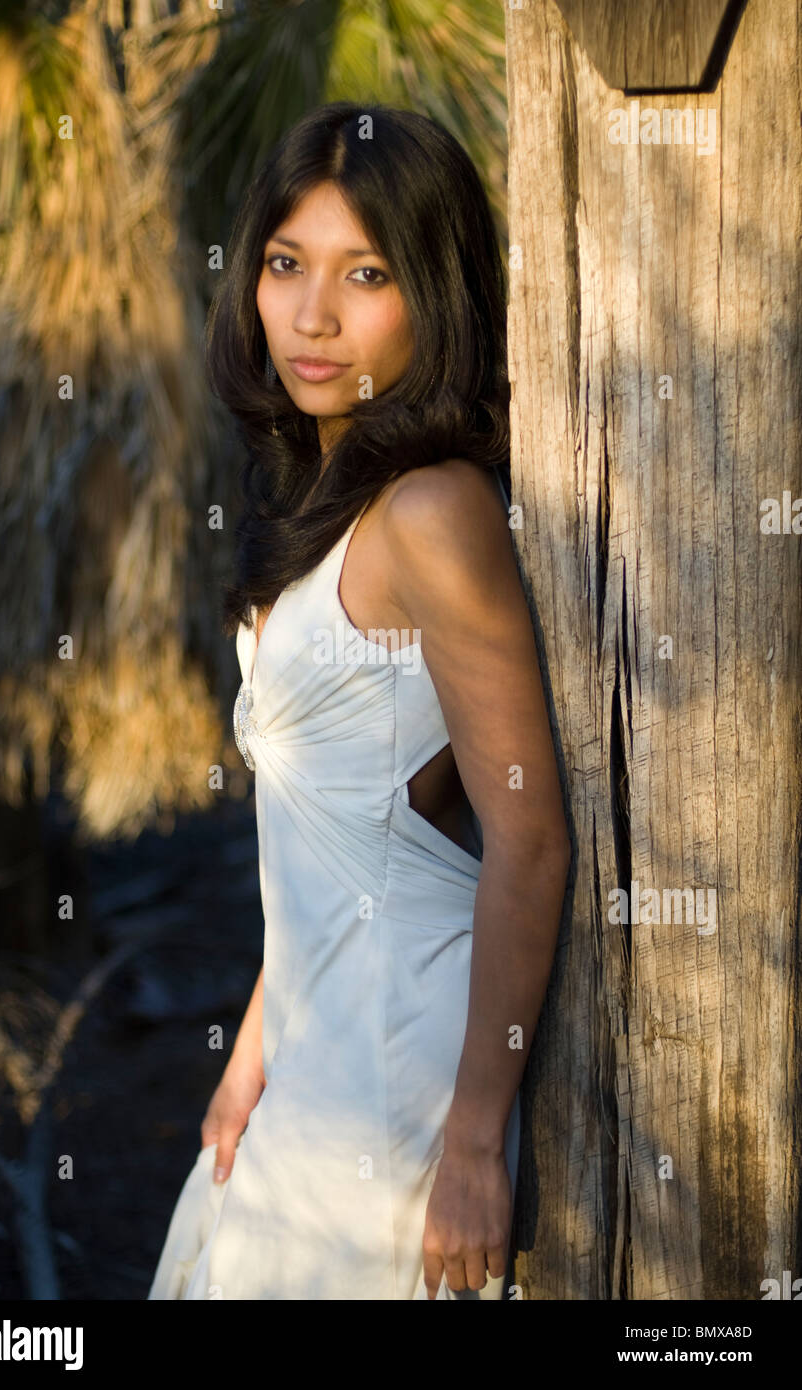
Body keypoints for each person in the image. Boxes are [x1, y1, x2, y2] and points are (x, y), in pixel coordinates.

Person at [148, 101, 570, 1301]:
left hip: (399, 1061)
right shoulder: (320, 490)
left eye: (365, 273)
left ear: (434, 292)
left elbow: (529, 839)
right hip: (312, 1042)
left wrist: (478, 1140)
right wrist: (255, 1051)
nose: (312, 315)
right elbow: (329, 839)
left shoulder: (434, 512)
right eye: (286, 265)